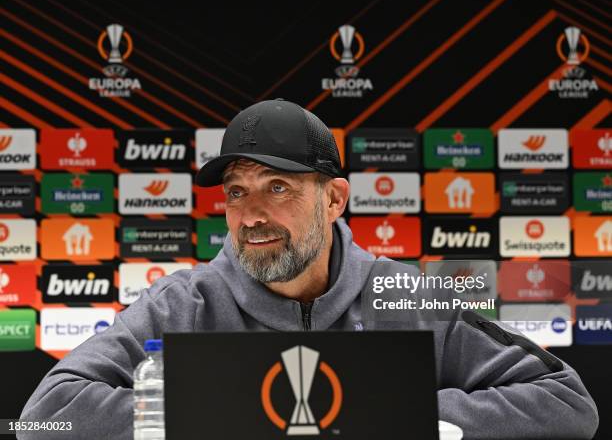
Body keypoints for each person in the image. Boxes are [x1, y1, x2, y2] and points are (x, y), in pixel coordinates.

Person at [20, 99, 598, 439]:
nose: (252, 215)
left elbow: (568, 405)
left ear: (335, 199)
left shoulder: (405, 295)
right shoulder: (182, 304)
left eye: (278, 187)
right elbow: (44, 419)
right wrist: (229, 416)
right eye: (237, 191)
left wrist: (378, 417)